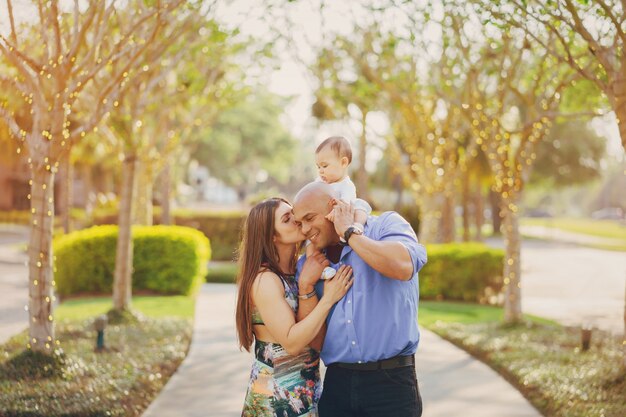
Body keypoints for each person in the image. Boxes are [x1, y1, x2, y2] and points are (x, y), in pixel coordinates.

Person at [293, 182, 428, 417]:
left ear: (333, 207)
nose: (304, 230)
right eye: (299, 223)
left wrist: (348, 232)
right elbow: (315, 342)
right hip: (338, 385)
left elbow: (403, 267)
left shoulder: (385, 226)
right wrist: (305, 285)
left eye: (309, 218)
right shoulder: (309, 264)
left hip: (392, 385)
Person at [235, 197, 354, 417]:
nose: (297, 221)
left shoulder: (297, 271)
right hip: (275, 396)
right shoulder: (265, 280)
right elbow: (291, 342)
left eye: (294, 214)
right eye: (287, 219)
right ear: (271, 235)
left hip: (306, 389)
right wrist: (328, 298)